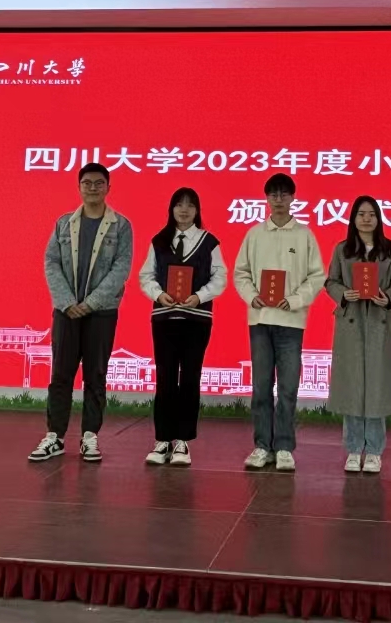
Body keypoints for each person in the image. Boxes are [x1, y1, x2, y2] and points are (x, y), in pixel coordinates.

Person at [29, 163, 134, 464]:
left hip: (101, 312)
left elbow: (121, 268)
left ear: (108, 187)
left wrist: (91, 303)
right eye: (87, 183)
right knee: (60, 375)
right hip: (66, 312)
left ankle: (90, 436)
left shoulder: (121, 225)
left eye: (99, 183)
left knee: (95, 375)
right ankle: (55, 436)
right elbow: (51, 262)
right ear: (79, 187)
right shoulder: (64, 223)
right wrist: (67, 302)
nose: (93, 188)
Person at [233, 173, 326, 472]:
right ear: (266, 198)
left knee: (288, 388)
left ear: (292, 198)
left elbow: (317, 276)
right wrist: (252, 297)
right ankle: (262, 445)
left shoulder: (304, 235)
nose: (278, 199)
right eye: (273, 194)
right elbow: (241, 273)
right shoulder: (255, 234)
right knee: (261, 387)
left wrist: (295, 299)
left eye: (284, 194)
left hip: (291, 322)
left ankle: (284, 446)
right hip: (260, 320)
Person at [137, 187, 227, 466]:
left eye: (190, 205)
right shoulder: (159, 241)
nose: (184, 210)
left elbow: (220, 278)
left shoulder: (209, 242)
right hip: (164, 318)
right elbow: (146, 276)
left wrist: (199, 296)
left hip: (197, 319)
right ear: (171, 209)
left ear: (197, 210)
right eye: (179, 205)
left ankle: (183, 442)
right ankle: (162, 439)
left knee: (190, 378)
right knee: (165, 378)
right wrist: (158, 294)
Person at [324, 196, 391, 474]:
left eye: (372, 214)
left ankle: (373, 451)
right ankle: (352, 449)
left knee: (376, 387)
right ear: (353, 219)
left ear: (378, 218)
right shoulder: (342, 249)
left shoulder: (390, 249)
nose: (367, 219)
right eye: (361, 214)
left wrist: (389, 298)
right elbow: (331, 281)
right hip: (351, 322)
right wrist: (342, 294)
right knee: (352, 385)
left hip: (379, 322)